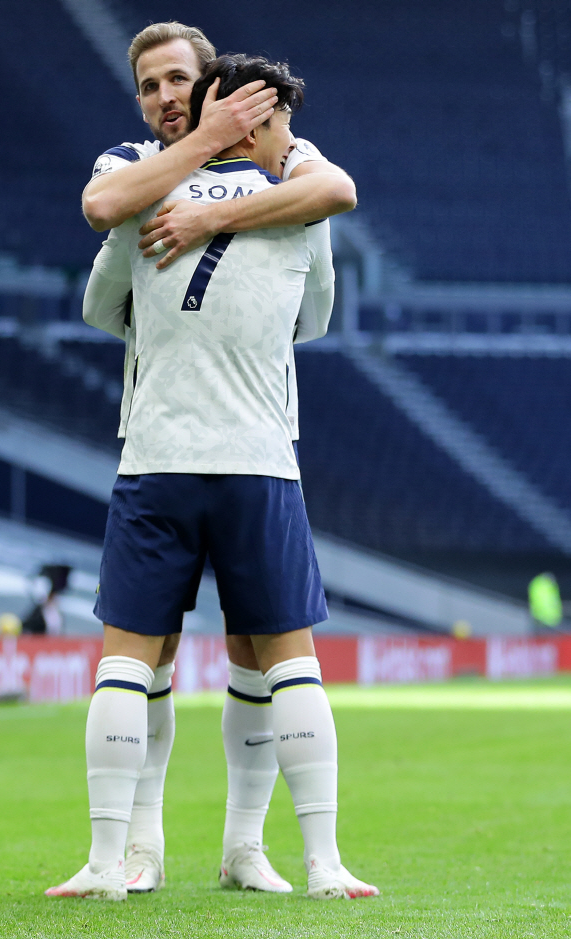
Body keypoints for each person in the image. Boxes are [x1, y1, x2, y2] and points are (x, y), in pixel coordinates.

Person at [46, 53, 379, 902]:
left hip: (156, 454)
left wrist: (194, 222)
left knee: (127, 660)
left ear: (205, 104)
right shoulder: (300, 195)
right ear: (253, 117)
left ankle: (107, 859)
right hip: (260, 458)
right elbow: (317, 314)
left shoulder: (141, 187)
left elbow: (99, 305)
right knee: (285, 661)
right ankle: (322, 861)